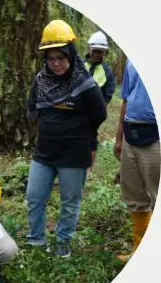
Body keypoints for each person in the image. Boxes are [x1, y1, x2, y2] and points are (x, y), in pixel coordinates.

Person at [26, 19, 107, 258]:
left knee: (70, 202)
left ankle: (62, 245)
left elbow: (99, 116)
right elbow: (34, 113)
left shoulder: (86, 84)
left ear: (71, 54)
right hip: (44, 153)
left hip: (73, 154)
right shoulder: (40, 81)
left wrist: (90, 145)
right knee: (34, 198)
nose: (56, 64)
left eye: (60, 57)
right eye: (50, 58)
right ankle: (37, 242)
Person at [114, 59, 159, 262]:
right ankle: (140, 250)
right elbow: (126, 100)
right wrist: (119, 137)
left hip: (155, 136)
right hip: (131, 135)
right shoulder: (133, 60)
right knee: (135, 197)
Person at [84, 31, 116, 176]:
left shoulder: (107, 71)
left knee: (91, 137)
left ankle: (89, 169)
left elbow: (108, 92)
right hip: (74, 109)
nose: (97, 55)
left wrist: (98, 111)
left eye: (101, 52)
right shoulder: (78, 64)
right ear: (89, 49)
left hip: (94, 112)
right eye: (95, 51)